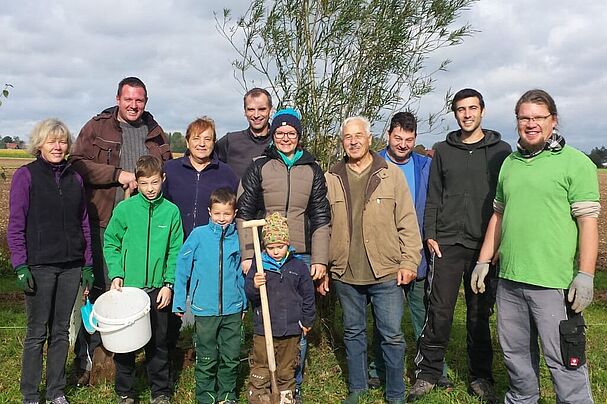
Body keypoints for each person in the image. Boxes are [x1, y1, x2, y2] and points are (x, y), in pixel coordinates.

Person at [472, 89, 599, 403]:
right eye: (524, 117)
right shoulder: (511, 164)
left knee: (564, 362)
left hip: (554, 284)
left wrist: (585, 274)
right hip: (511, 282)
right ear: (517, 122)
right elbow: (499, 216)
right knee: (515, 357)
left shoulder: (575, 163)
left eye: (538, 117)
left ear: (553, 121)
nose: (531, 124)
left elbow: (588, 224)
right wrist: (484, 260)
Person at [409, 89, 511, 402]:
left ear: (482, 111)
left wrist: (496, 245)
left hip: (483, 246)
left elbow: (506, 200)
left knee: (480, 314)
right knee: (439, 311)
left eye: (472, 108)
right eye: (460, 109)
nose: (467, 114)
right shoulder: (443, 149)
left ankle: (481, 377)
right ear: (455, 114)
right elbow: (433, 196)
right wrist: (430, 233)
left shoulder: (500, 151)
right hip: (447, 244)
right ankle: (428, 372)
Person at [70, 76, 172, 384]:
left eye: (139, 100)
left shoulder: (155, 132)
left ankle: (136, 350)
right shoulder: (97, 127)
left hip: (144, 226)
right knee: (102, 289)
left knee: (135, 290)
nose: (133, 105)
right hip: (105, 220)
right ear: (118, 99)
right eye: (128, 99)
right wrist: (119, 174)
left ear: (145, 102)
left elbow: (164, 172)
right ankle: (93, 357)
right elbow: (77, 163)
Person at [324, 116, 421, 404]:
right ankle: (358, 388)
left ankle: (395, 393)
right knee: (353, 333)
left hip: (386, 270)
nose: (353, 141)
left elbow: (407, 221)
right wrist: (326, 266)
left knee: (391, 335)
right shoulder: (332, 178)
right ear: (342, 142)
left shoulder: (390, 174)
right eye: (347, 137)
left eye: (358, 136)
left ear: (369, 139)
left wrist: (409, 262)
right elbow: (324, 226)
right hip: (345, 271)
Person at [236, 108, 330, 402]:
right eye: (280, 133)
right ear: (273, 136)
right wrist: (250, 255)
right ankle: (263, 384)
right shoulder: (260, 166)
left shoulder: (312, 168)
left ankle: (291, 387)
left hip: (299, 255)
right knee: (266, 318)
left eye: (291, 133)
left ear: (299, 136)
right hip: (266, 251)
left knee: (296, 321)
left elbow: (321, 215)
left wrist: (320, 259)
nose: (285, 137)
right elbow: (245, 211)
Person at [8, 119, 93, 404]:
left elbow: (83, 224)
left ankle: (56, 391)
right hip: (39, 266)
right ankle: (30, 394)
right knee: (36, 332)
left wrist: (88, 264)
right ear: (40, 144)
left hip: (71, 265)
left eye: (62, 141)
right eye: (51, 141)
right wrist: (20, 264)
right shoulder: (26, 176)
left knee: (60, 332)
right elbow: (16, 224)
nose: (58, 146)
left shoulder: (75, 179)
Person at [369, 111, 451, 388]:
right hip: (383, 254)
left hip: (415, 253)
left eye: (409, 139)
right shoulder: (374, 163)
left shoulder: (424, 165)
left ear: (415, 139)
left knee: (422, 314)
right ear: (388, 135)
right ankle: (377, 368)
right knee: (384, 317)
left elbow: (435, 204)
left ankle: (432, 368)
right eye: (397, 138)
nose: (403, 144)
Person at [104, 155, 183, 404]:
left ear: (163, 180)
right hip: (129, 290)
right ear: (137, 182)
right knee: (126, 345)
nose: (150, 188)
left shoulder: (171, 212)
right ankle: (125, 392)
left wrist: (169, 284)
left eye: (155, 182)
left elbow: (175, 251)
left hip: (157, 290)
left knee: (158, 343)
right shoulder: (125, 210)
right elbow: (111, 242)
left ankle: (160, 392)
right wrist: (116, 273)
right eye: (145, 183)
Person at [172, 187, 246, 404]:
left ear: (234, 213)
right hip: (205, 308)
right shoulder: (198, 236)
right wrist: (179, 302)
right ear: (209, 212)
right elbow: (182, 268)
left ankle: (227, 395)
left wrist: (243, 304)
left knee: (231, 357)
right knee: (206, 357)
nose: (222, 219)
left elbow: (240, 274)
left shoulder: (238, 239)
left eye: (226, 214)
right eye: (217, 213)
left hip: (232, 308)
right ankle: (206, 396)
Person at [245, 212, 316, 404]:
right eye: (271, 247)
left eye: (280, 246)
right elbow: (250, 294)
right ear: (264, 246)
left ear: (288, 244)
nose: (276, 251)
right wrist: (255, 284)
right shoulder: (259, 266)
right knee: (261, 367)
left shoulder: (298, 266)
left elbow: (308, 295)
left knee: (287, 368)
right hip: (264, 330)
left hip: (291, 328)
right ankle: (259, 397)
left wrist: (307, 320)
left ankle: (285, 397)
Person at [164, 116, 238, 238]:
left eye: (207, 139)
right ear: (187, 142)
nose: (202, 144)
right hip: (174, 243)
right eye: (196, 138)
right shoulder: (170, 169)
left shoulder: (226, 173)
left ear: (214, 142)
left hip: (212, 245)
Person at [215, 88, 273, 179]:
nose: (256, 115)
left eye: (262, 109)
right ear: (245, 111)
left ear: (270, 110)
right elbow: (201, 158)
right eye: (251, 109)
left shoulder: (280, 143)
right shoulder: (230, 141)